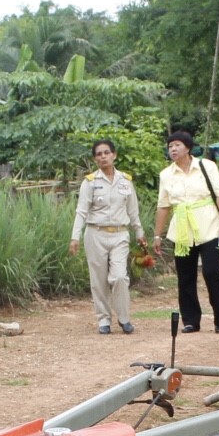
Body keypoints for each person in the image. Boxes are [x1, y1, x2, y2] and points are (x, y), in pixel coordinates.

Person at [154, 130, 219, 333]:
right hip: (181, 230)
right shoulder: (166, 174)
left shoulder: (206, 166)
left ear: (188, 147)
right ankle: (191, 320)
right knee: (185, 276)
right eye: (170, 146)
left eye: (177, 145)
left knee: (211, 271)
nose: (173, 149)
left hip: (210, 226)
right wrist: (157, 234)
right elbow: (163, 206)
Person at [69, 138, 146, 335]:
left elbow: (133, 210)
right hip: (96, 233)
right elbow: (81, 211)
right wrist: (74, 237)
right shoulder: (90, 182)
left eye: (106, 153)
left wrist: (139, 233)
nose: (103, 157)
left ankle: (124, 318)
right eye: (99, 154)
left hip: (120, 233)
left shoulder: (125, 181)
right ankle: (103, 319)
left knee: (120, 277)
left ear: (114, 155)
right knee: (99, 279)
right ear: (95, 159)